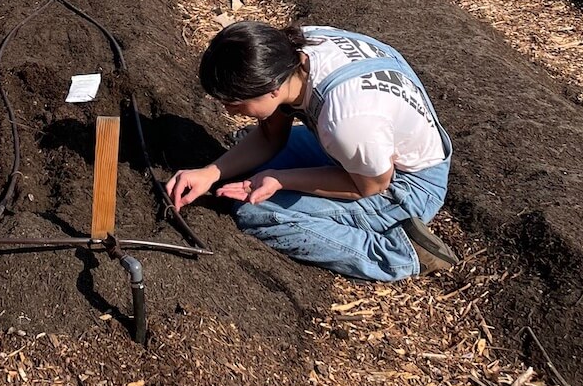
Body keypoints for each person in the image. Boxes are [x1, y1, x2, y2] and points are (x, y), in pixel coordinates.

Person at [166, 22, 457, 281]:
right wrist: (210, 172)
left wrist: (280, 180)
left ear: (272, 88)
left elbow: (368, 186)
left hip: (402, 184)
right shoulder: (295, 50)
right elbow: (270, 138)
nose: (228, 109)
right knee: (244, 166)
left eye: (235, 102)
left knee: (256, 212)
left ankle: (400, 255)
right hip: (365, 146)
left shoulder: (347, 121)